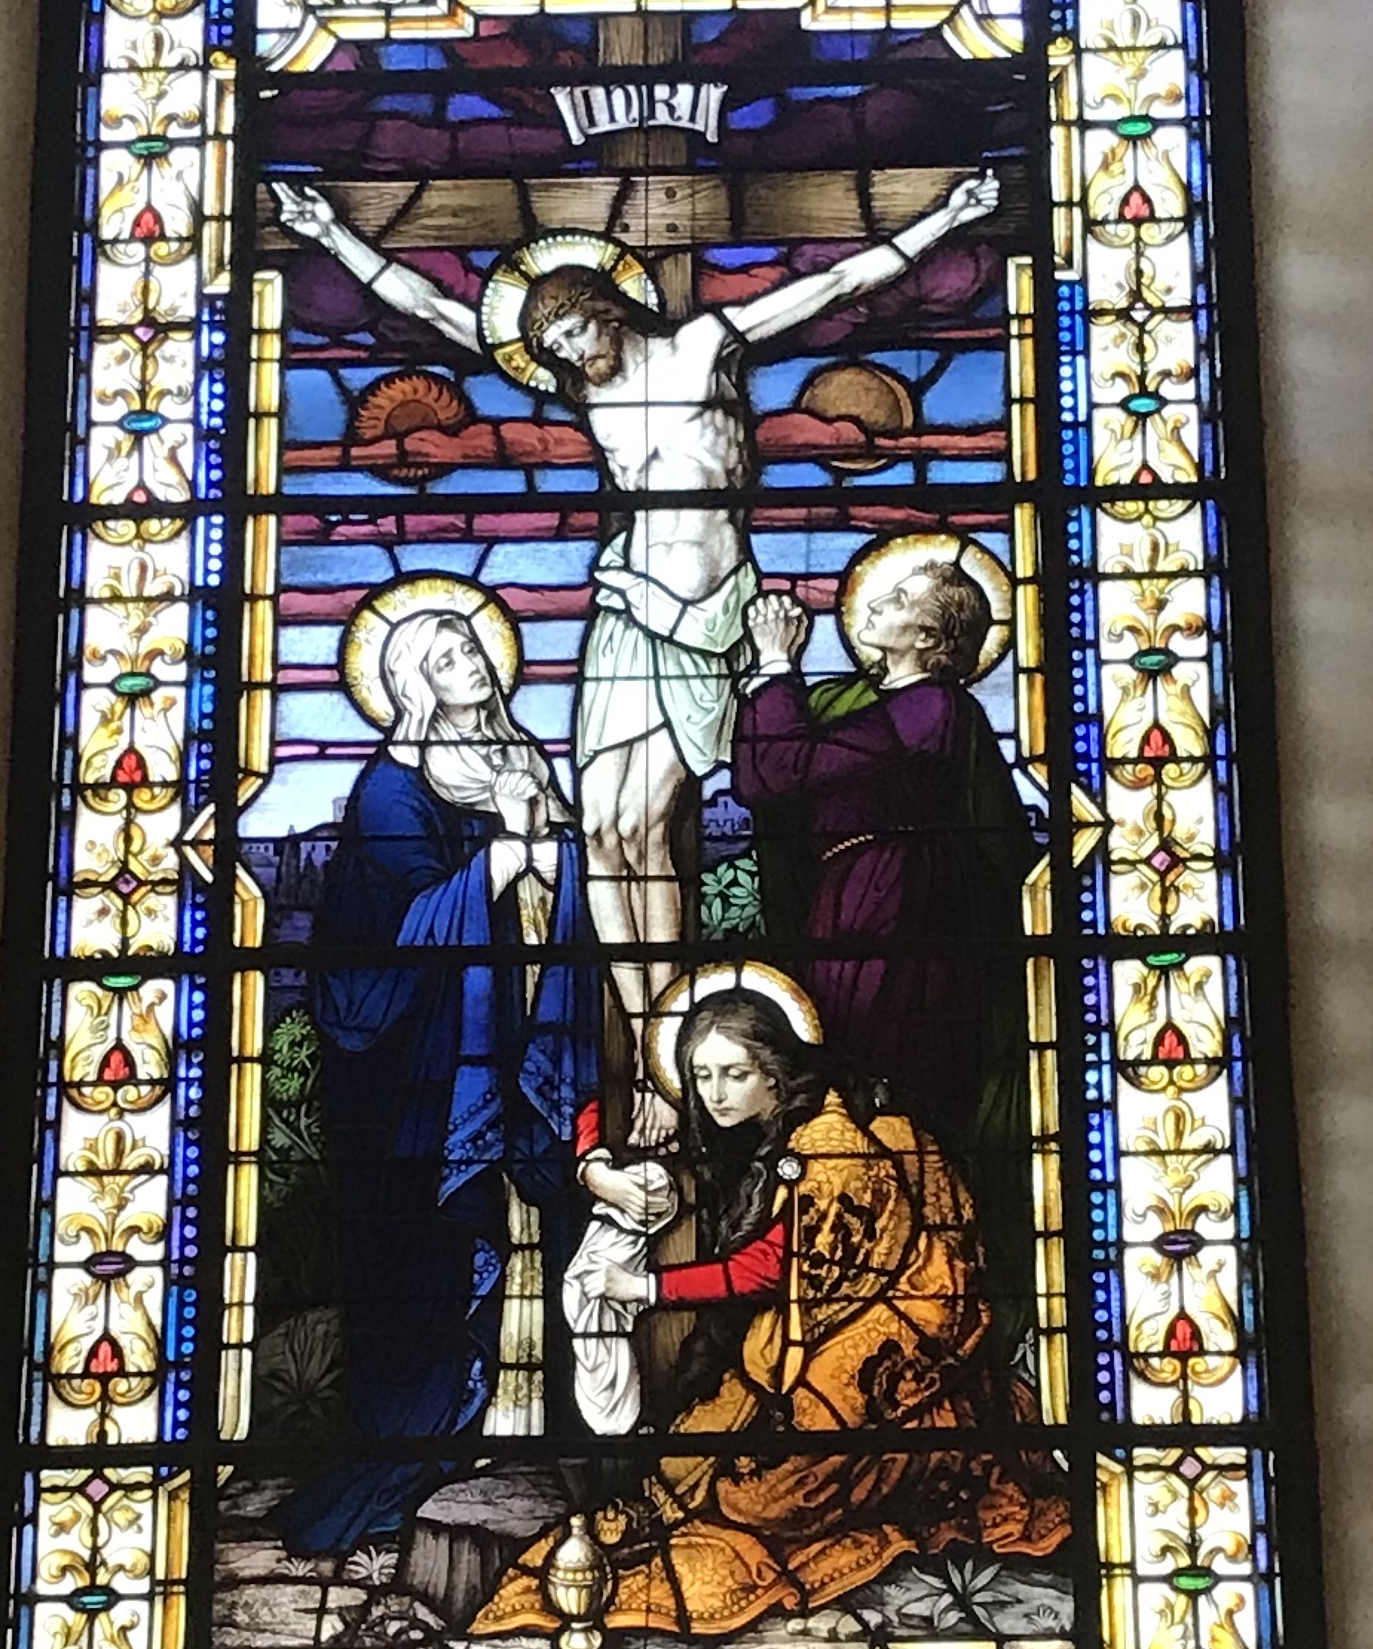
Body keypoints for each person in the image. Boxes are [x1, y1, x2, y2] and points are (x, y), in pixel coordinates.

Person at [273, 170, 1003, 1133]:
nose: (575, 353)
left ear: (608, 305)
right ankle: (655, 1037)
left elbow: (831, 285)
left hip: (703, 617)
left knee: (650, 828)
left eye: (578, 330)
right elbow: (439, 312)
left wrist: (946, 217)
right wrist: (332, 235)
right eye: (556, 349)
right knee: (601, 833)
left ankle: (674, 1045)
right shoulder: (584, 395)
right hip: (627, 608)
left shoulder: (703, 346)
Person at [471, 990, 1068, 1645]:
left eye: (734, 1074)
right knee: (692, 1463)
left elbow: (774, 1267)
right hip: (801, 1334)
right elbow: (599, 1107)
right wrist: (593, 1163)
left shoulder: (830, 1145)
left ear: (775, 1073)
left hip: (887, 1330)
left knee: (765, 1497)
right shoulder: (756, 1128)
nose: (715, 1093)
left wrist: (646, 1287)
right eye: (701, 1076)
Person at [276, 600, 594, 1556]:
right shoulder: (391, 788)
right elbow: (399, 932)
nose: (471, 661)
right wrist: (507, 851)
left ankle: (527, 1428)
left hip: (515, 1039)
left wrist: (547, 850)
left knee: (541, 1223)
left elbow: (560, 890)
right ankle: (418, 1446)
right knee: (423, 1254)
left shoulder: (519, 760)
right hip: (418, 1072)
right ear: (413, 681)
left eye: (473, 646)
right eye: (446, 653)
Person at [734, 557, 1038, 1325]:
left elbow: (776, 771)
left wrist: (775, 667)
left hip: (895, 916)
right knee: (849, 1089)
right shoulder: (892, 710)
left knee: (882, 1089)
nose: (875, 599)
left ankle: (912, 1291)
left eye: (900, 597)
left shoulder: (932, 707)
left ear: (932, 638)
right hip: (858, 905)